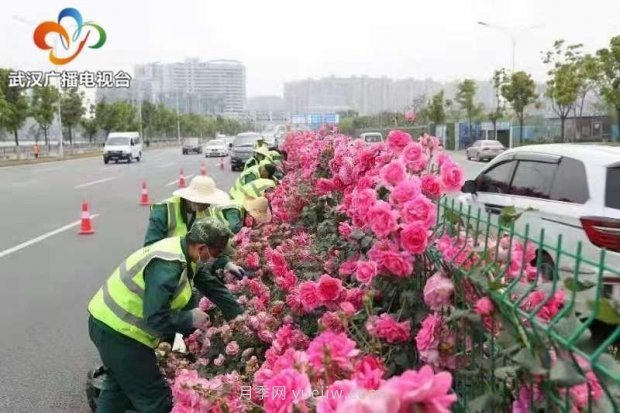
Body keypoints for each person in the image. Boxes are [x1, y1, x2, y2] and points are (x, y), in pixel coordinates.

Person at [88, 218, 244, 413]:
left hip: (106, 324)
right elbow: (155, 319)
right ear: (202, 247)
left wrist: (239, 316)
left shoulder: (186, 253)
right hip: (120, 332)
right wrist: (189, 318)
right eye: (217, 252)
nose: (218, 257)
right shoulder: (167, 266)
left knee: (118, 389)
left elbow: (211, 285)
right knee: (157, 401)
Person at [144, 175, 233, 246]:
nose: (207, 205)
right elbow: (151, 246)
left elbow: (219, 235)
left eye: (208, 201)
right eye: (204, 201)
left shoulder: (207, 211)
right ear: (191, 197)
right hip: (168, 262)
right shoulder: (164, 210)